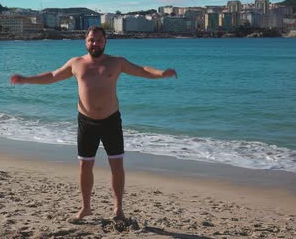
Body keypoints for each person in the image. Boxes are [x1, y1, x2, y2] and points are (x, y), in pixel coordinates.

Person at [10, 26, 177, 221]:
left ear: (105, 42)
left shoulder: (116, 63)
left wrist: (161, 74)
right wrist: (26, 79)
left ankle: (118, 209)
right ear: (85, 41)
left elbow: (142, 70)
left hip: (111, 121)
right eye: (91, 40)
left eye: (98, 40)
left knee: (116, 165)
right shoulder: (76, 63)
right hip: (86, 122)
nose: (94, 43)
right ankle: (85, 208)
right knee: (85, 166)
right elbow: (52, 76)